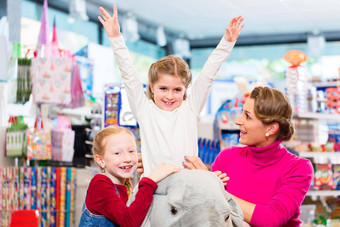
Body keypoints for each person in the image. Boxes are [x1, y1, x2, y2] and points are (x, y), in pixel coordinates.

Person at [98, 5, 244, 176]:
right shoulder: (144, 110)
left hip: (187, 190)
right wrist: (116, 38)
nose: (169, 96)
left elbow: (208, 74)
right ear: (151, 87)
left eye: (176, 90)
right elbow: (128, 75)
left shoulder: (189, 109)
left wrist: (226, 42)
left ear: (185, 90)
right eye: (163, 88)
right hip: (153, 191)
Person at [183, 86, 314, 226]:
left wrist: (212, 187)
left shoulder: (298, 168)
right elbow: (211, 213)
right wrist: (201, 184)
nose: (238, 120)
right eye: (241, 112)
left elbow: (271, 219)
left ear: (271, 128)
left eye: (247, 116)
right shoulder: (227, 157)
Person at [79, 126, 181, 227]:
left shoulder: (123, 188)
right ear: (101, 161)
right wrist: (150, 181)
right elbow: (129, 222)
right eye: (117, 153)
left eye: (131, 151)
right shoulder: (99, 183)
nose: (127, 158)